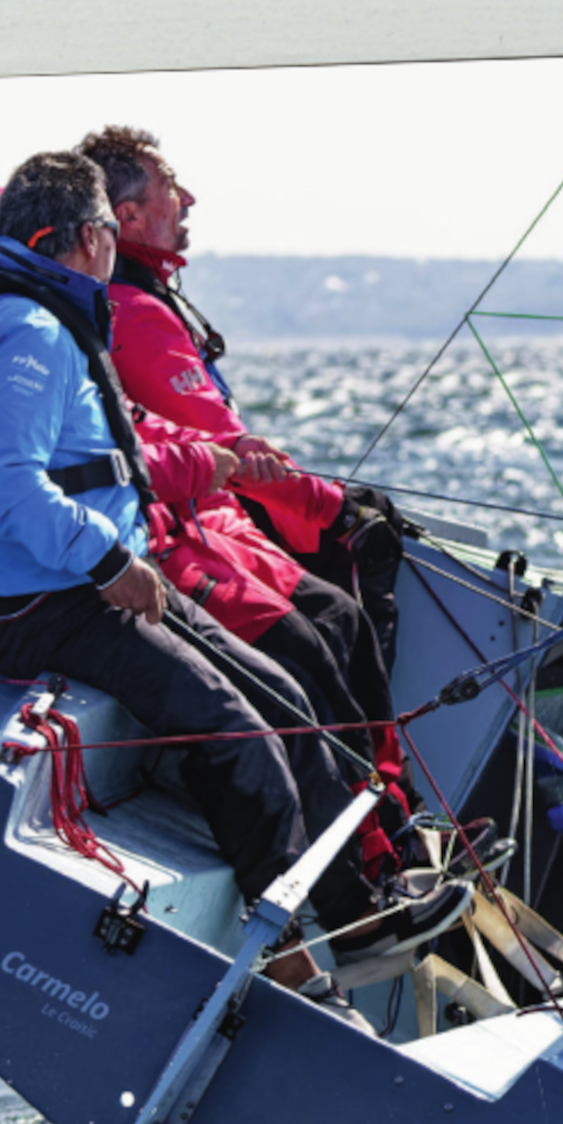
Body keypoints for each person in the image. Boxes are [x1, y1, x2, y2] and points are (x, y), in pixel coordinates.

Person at [0, 149, 469, 1023]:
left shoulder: (30, 313)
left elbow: (105, 451)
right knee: (236, 730)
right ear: (85, 238)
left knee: (284, 696)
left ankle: (354, 914)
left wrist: (208, 462)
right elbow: (2, 485)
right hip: (44, 602)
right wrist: (111, 563)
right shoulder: (27, 331)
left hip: (75, 581)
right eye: (105, 229)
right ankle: (292, 964)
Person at [78, 123, 421, 866]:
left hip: (210, 522)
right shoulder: (134, 313)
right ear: (127, 216)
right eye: (171, 187)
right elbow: (223, 448)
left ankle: (395, 819)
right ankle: (375, 849)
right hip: (187, 535)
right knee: (329, 621)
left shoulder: (138, 300)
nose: (189, 198)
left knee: (341, 620)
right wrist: (330, 506)